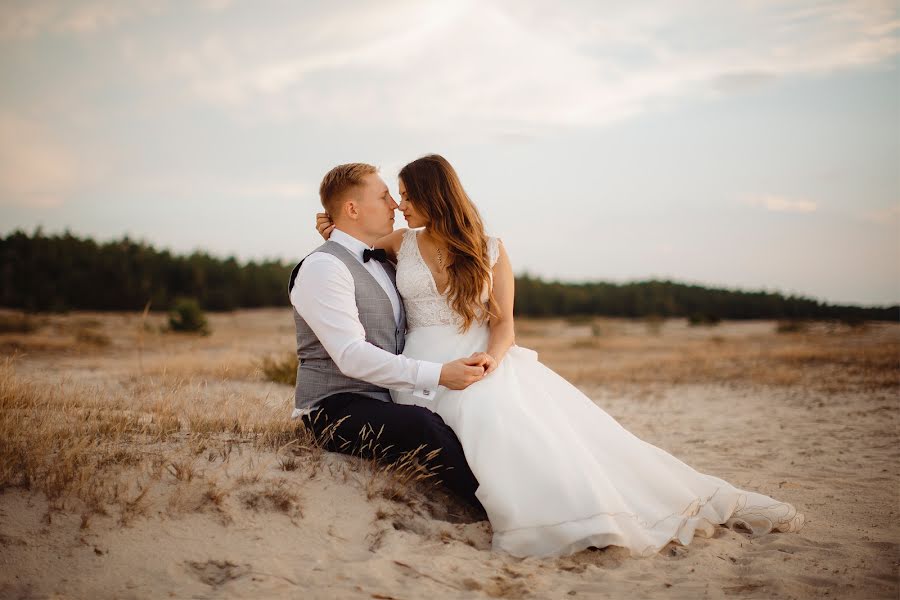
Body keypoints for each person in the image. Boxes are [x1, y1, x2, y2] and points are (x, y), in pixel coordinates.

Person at [314, 154, 805, 558]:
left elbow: (504, 322)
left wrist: (493, 361)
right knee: (472, 423)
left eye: (405, 194)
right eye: (394, 195)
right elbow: (350, 243)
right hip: (422, 363)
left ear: (432, 196)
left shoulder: (489, 248)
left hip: (482, 357)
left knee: (510, 416)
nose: (399, 205)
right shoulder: (402, 243)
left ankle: (587, 507)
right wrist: (328, 225)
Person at [289, 162, 490, 512]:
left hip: (385, 399)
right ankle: (490, 507)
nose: (395, 206)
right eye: (384, 197)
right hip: (336, 408)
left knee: (473, 415)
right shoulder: (324, 267)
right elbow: (351, 355)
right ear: (352, 209)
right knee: (421, 425)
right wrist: (440, 374)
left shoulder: (383, 262)